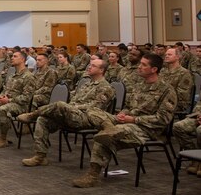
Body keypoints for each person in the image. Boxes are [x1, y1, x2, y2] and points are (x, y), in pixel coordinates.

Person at [72, 52, 177, 188]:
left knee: (105, 136)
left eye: (143, 65)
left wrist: (134, 119)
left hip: (146, 129)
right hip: (128, 121)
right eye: (140, 64)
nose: (139, 67)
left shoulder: (167, 91)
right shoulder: (140, 85)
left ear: (154, 69)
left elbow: (162, 119)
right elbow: (129, 106)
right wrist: (123, 114)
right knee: (94, 111)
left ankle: (92, 176)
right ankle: (109, 127)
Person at [18, 57, 115, 166]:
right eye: (90, 65)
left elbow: (95, 107)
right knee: (43, 120)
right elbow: (73, 99)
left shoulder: (106, 88)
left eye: (93, 66)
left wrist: (72, 107)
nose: (89, 67)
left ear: (101, 70)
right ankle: (40, 156)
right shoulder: (87, 84)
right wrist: (70, 107)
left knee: (60, 104)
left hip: (86, 118)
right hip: (72, 115)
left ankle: (33, 115)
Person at [161, 47, 194, 113]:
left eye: (169, 55)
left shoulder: (184, 73)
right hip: (161, 100)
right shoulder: (163, 71)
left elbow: (182, 95)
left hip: (177, 103)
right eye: (166, 55)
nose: (166, 56)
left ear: (177, 57)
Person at [173, 102, 201, 176]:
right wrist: (199, 115)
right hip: (198, 115)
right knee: (177, 127)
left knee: (200, 130)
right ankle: (195, 159)